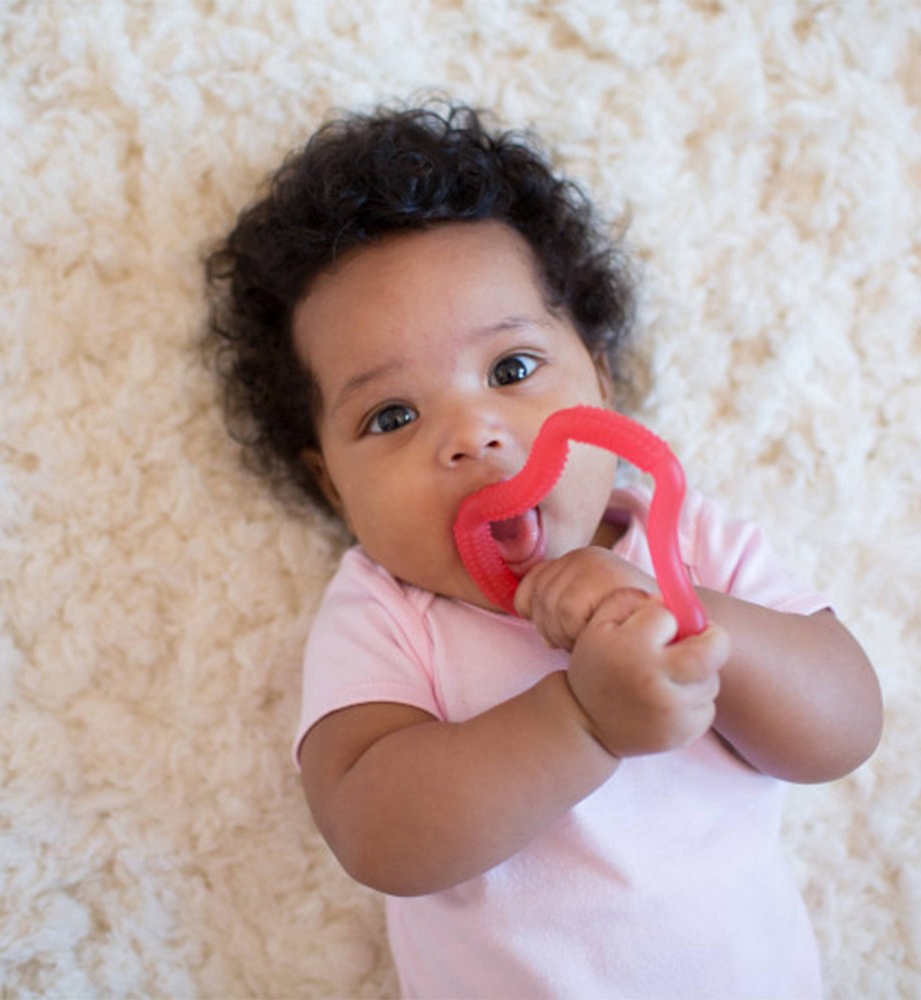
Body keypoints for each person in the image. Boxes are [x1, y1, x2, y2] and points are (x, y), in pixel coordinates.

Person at [204, 100, 882, 999]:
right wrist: (582, 722)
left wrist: (680, 616)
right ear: (335, 486)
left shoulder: (690, 544)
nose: (473, 433)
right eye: (392, 416)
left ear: (600, 378)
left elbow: (844, 728)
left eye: (512, 369)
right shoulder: (388, 612)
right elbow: (378, 835)